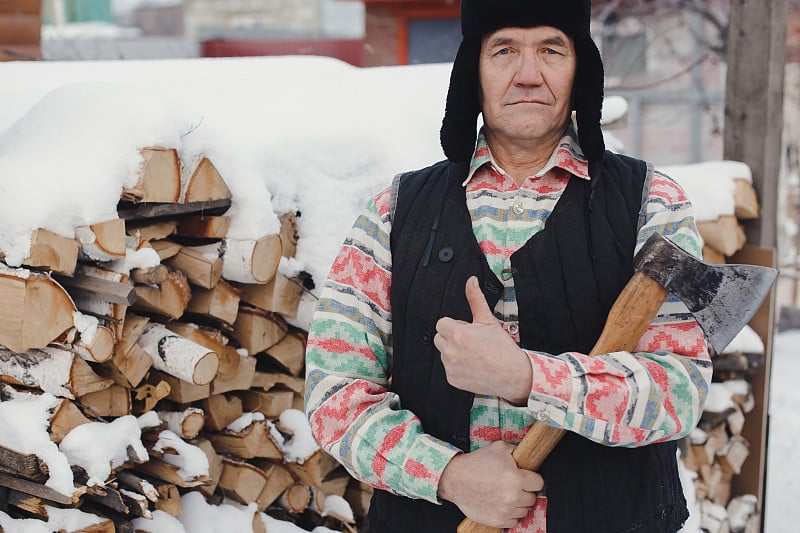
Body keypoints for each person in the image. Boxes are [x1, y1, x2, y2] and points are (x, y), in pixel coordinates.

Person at [305, 0, 712, 531]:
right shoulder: (394, 211)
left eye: (551, 49)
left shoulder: (652, 204)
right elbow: (334, 393)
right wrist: (449, 475)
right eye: (504, 50)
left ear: (579, 68)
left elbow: (680, 388)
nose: (528, 75)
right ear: (472, 68)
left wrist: (528, 376)